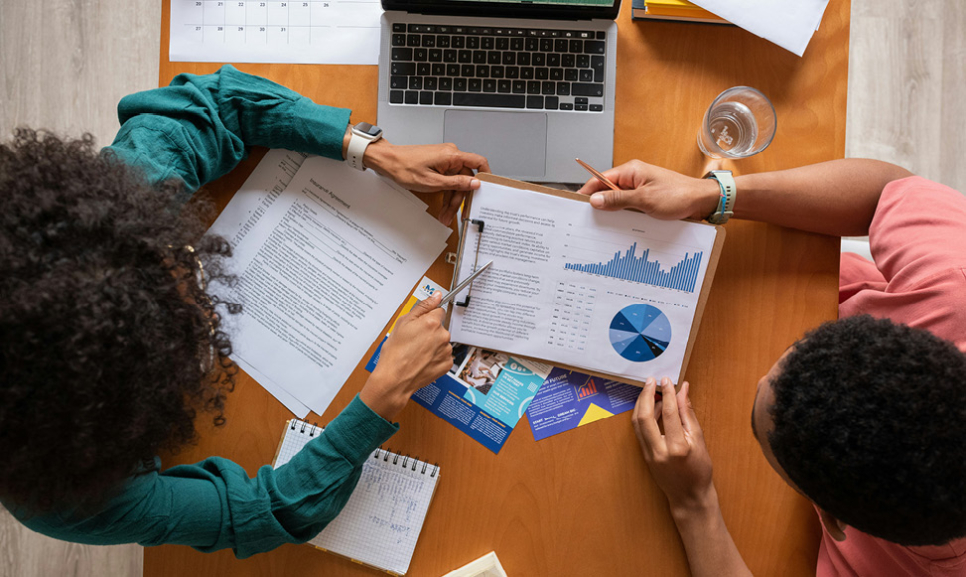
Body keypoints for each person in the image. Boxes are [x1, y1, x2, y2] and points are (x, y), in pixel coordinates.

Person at [0, 65, 489, 557]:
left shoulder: (94, 227)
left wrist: (372, 151)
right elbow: (266, 513)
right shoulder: (66, 501)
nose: (208, 308)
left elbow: (218, 103)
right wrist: (382, 397)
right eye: (174, 316)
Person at [578, 159, 966, 576]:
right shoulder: (955, 290)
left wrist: (694, 503)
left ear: (835, 521)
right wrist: (715, 193)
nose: (761, 374)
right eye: (800, 345)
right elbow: (889, 189)